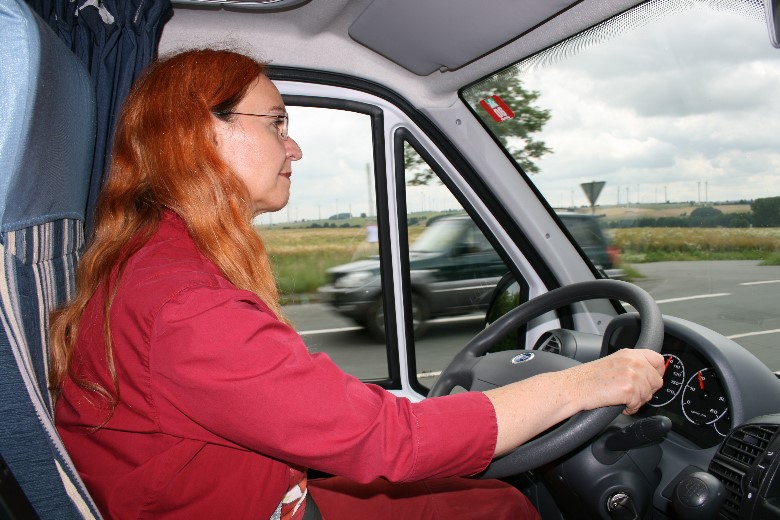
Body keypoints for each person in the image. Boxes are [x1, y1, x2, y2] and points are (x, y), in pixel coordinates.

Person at [50, 48, 665, 520]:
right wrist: (588, 381)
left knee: (486, 501)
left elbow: (299, 406)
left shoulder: (158, 261)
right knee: (500, 507)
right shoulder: (188, 303)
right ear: (198, 134)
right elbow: (392, 443)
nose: (293, 147)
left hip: (248, 490)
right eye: (276, 122)